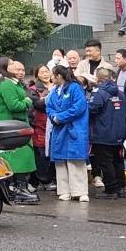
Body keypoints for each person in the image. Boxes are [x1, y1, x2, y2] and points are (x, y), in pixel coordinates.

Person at [0, 57, 38, 204]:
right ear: (5, 67)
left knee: (22, 156)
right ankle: (18, 188)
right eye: (11, 64)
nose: (15, 66)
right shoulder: (5, 84)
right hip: (11, 127)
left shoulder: (8, 83)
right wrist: (28, 101)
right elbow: (14, 105)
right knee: (21, 157)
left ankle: (19, 187)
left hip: (16, 125)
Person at [46, 64, 91, 202]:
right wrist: (54, 116)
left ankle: (80, 191)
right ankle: (64, 190)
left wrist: (60, 117)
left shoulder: (75, 88)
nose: (51, 78)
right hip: (59, 130)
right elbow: (49, 107)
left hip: (74, 128)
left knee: (75, 160)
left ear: (58, 76)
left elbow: (78, 107)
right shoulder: (54, 91)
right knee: (60, 161)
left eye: (52, 75)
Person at [88, 65, 126, 199]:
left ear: (97, 78)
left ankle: (111, 189)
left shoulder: (99, 92)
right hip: (118, 133)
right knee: (117, 160)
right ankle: (121, 187)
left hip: (103, 133)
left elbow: (92, 109)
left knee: (105, 162)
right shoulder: (120, 92)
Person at [27, 64, 55, 189]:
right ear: (37, 74)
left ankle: (54, 178)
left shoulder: (57, 85)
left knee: (55, 151)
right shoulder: (33, 89)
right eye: (42, 72)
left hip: (56, 122)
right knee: (42, 153)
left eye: (46, 71)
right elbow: (37, 104)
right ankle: (44, 180)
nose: (45, 74)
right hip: (41, 123)